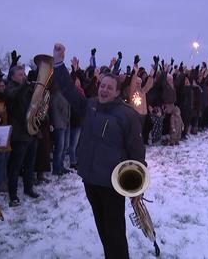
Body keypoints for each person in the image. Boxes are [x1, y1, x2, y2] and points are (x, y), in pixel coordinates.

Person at [53, 43, 145, 259]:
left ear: (116, 92)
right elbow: (67, 90)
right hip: (90, 180)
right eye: (102, 85)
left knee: (115, 231)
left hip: (113, 184)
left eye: (109, 87)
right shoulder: (90, 106)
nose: (104, 89)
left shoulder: (127, 115)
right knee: (102, 227)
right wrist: (58, 63)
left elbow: (137, 152)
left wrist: (137, 186)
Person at [5, 63, 40, 207]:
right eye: (21, 75)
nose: (24, 76)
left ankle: (28, 188)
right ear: (13, 76)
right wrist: (26, 85)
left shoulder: (25, 88)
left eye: (24, 74)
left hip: (31, 131)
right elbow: (15, 95)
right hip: (19, 134)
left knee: (30, 163)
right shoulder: (10, 88)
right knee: (15, 166)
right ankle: (13, 195)